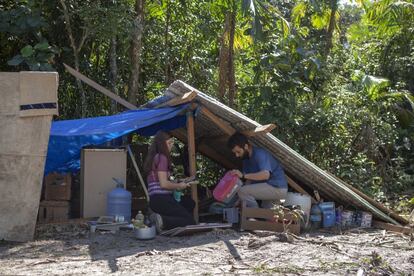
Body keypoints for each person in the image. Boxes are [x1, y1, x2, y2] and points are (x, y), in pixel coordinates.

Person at [143, 130, 195, 232]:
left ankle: (162, 220)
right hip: (161, 199)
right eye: (169, 143)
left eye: (172, 143)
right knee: (190, 221)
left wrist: (178, 181)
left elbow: (159, 181)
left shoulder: (154, 157)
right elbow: (163, 184)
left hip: (155, 200)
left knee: (189, 203)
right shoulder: (162, 157)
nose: (171, 146)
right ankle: (162, 221)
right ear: (162, 144)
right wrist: (179, 186)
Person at [227, 132, 288, 209]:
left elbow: (266, 175)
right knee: (267, 216)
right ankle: (258, 217)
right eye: (235, 153)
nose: (237, 155)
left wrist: (243, 176)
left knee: (242, 191)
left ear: (245, 146)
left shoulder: (259, 154)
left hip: (277, 187)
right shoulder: (245, 159)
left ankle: (255, 216)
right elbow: (248, 181)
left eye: (238, 152)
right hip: (269, 188)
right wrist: (240, 199)